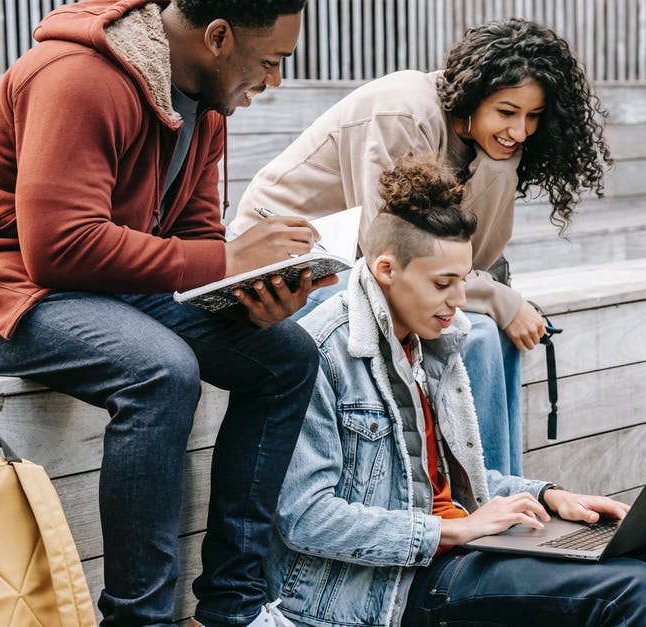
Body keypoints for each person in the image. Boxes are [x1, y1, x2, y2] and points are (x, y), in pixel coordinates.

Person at [0, 1, 333, 625]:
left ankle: (236, 604)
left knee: (286, 355)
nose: (276, 79)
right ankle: (140, 618)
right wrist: (226, 260)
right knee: (161, 370)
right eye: (271, 61)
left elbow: (195, 238)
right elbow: (59, 247)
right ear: (218, 36)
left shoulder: (206, 106)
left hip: (91, 284)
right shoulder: (78, 77)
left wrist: (251, 296)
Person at [266, 153, 646, 627]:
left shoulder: (429, 343)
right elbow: (307, 517)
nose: (459, 301)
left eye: (462, 280)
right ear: (387, 269)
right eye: (443, 283)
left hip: (461, 549)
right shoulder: (323, 353)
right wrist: (454, 530)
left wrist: (549, 497)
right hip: (388, 590)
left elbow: (456, 485)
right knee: (634, 589)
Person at [229, 18, 613, 476]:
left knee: (495, 336)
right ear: (473, 95)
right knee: (475, 334)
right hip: (292, 267)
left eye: (532, 117)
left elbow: (476, 257)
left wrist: (497, 167)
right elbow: (387, 255)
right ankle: (478, 515)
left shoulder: (487, 141)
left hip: (370, 267)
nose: (521, 130)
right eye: (507, 112)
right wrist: (497, 297)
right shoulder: (404, 115)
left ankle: (502, 497)